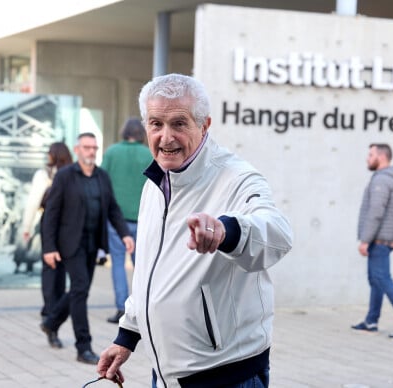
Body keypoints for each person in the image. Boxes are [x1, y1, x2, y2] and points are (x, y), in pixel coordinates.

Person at [97, 74, 293, 388]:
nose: (165, 137)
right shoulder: (157, 182)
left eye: (179, 123)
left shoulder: (236, 177)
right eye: (156, 123)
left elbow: (277, 233)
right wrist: (127, 336)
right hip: (165, 375)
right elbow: (149, 271)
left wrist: (227, 231)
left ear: (205, 125)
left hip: (226, 377)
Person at [40, 132, 135, 365]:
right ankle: (84, 347)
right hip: (69, 244)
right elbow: (51, 213)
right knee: (81, 289)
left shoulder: (102, 176)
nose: (91, 151)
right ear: (77, 150)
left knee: (78, 290)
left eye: (94, 147)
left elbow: (112, 208)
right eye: (86, 147)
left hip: (94, 244)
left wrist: (124, 233)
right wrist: (49, 247)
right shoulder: (64, 176)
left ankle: (51, 323)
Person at [351, 143, 393, 341]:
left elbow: (376, 213)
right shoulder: (388, 179)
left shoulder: (382, 180)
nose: (367, 158)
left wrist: (365, 240)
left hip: (379, 238)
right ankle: (371, 321)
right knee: (375, 279)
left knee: (382, 278)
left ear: (381, 157)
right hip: (383, 237)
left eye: (370, 154)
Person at [101, 118, 153, 324]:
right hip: (143, 218)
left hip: (116, 219)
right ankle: (140, 309)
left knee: (117, 264)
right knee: (142, 266)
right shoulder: (149, 154)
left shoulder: (112, 152)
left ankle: (121, 307)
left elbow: (101, 180)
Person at [17, 142, 72, 323]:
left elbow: (33, 202)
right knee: (61, 266)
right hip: (68, 224)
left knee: (49, 266)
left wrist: (26, 227)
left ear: (51, 156)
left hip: (49, 221)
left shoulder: (44, 174)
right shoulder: (73, 172)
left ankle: (49, 307)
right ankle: (55, 305)